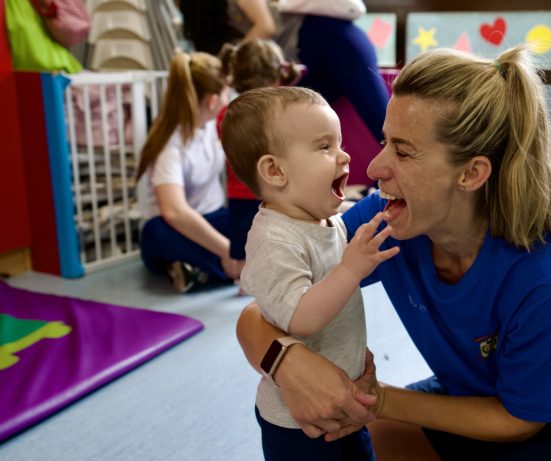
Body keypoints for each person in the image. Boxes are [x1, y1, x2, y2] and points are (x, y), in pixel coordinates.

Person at [236, 45, 551, 461]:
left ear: (471, 173)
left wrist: (382, 399)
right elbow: (263, 311)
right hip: (473, 394)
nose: (373, 168)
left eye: (404, 151)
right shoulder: (389, 220)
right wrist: (287, 363)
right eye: (383, 142)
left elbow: (522, 420)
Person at [220, 86, 399, 461]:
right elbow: (299, 317)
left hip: (348, 401)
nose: (345, 156)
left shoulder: (326, 221)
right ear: (275, 171)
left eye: (338, 143)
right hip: (297, 424)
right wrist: (352, 268)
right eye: (324, 146)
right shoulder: (274, 241)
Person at [179, 0, 389, 146]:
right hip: (316, 56)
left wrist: (232, 61)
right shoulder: (209, 15)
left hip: (339, 43)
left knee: (383, 125)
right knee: (291, 121)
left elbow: (266, 26)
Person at [136, 51, 243, 292]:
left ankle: (201, 272)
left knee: (254, 222)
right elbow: (174, 212)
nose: (229, 98)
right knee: (156, 234)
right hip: (175, 227)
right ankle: (233, 267)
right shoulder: (170, 144)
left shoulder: (210, 128)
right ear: (212, 100)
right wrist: (228, 250)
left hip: (214, 218)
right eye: (226, 93)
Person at [217, 39, 300, 268]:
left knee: (245, 252)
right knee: (278, 247)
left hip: (239, 194)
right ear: (276, 76)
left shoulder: (227, 113)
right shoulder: (281, 110)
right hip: (278, 191)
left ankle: (246, 289)